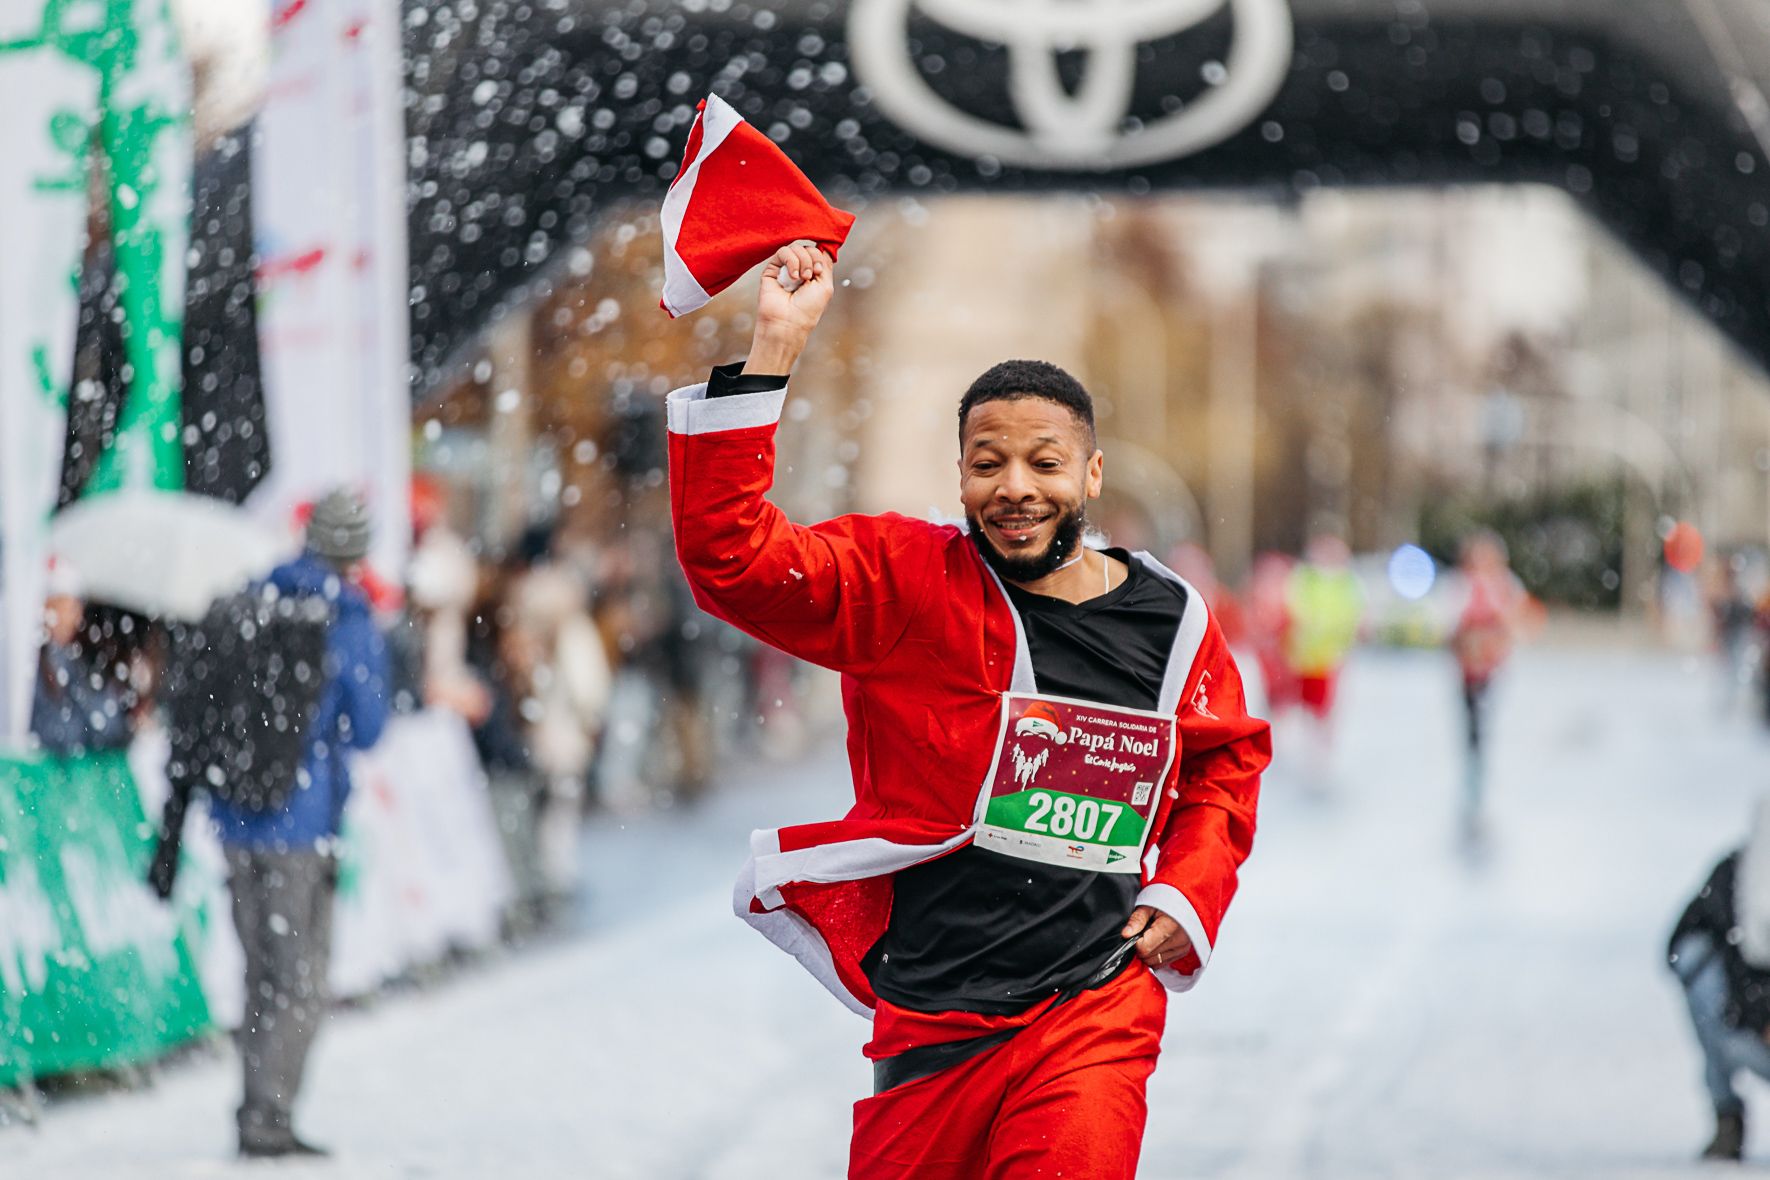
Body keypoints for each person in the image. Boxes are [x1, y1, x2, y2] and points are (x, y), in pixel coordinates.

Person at [667, 243, 1270, 1178]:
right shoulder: (903, 582)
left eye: (1045, 462)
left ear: (1094, 475)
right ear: (960, 478)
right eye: (988, 463)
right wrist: (774, 346)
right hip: (934, 1018)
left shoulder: (1172, 622)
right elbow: (733, 561)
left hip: (1091, 1009)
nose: (1016, 487)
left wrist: (1185, 889)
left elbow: (1226, 764)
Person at [207, 488, 390, 1158]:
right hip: (301, 818)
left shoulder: (254, 596)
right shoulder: (345, 613)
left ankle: (255, 1106)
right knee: (301, 979)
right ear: (356, 551)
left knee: (259, 971)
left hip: (235, 815)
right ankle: (268, 1118)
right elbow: (369, 726)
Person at [1669, 838, 1770, 1162]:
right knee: (1693, 956)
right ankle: (1726, 1115)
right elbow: (1679, 943)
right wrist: (1761, 1019)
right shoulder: (1740, 877)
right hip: (1742, 1025)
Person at [1448, 530, 1531, 835]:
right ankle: (1474, 773)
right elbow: (1450, 623)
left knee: (1485, 720)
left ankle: (1481, 772)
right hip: (1470, 670)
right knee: (1472, 723)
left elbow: (1519, 621)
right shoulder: (1462, 585)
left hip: (1493, 669)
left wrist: (1497, 634)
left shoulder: (1505, 585)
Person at [1278, 533, 1364, 783]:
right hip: (1305, 657)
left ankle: (1320, 759)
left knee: (1326, 710)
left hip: (1330, 658)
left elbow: (1353, 612)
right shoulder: (1306, 578)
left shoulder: (1345, 582)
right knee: (1306, 707)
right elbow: (1294, 607)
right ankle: (1309, 756)